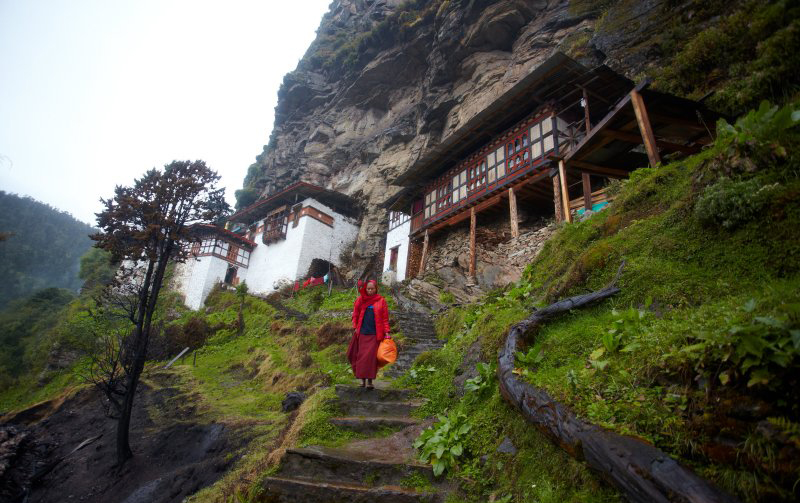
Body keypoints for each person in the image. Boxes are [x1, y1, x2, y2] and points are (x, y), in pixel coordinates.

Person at [346, 279, 390, 389]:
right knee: (361, 357)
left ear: (376, 289)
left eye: (372, 289)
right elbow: (355, 315)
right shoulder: (360, 300)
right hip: (362, 333)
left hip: (375, 334)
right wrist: (355, 327)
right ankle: (362, 381)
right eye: (368, 289)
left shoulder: (381, 301)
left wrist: (387, 332)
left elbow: (385, 319)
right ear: (366, 289)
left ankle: (370, 382)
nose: (370, 291)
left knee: (371, 358)